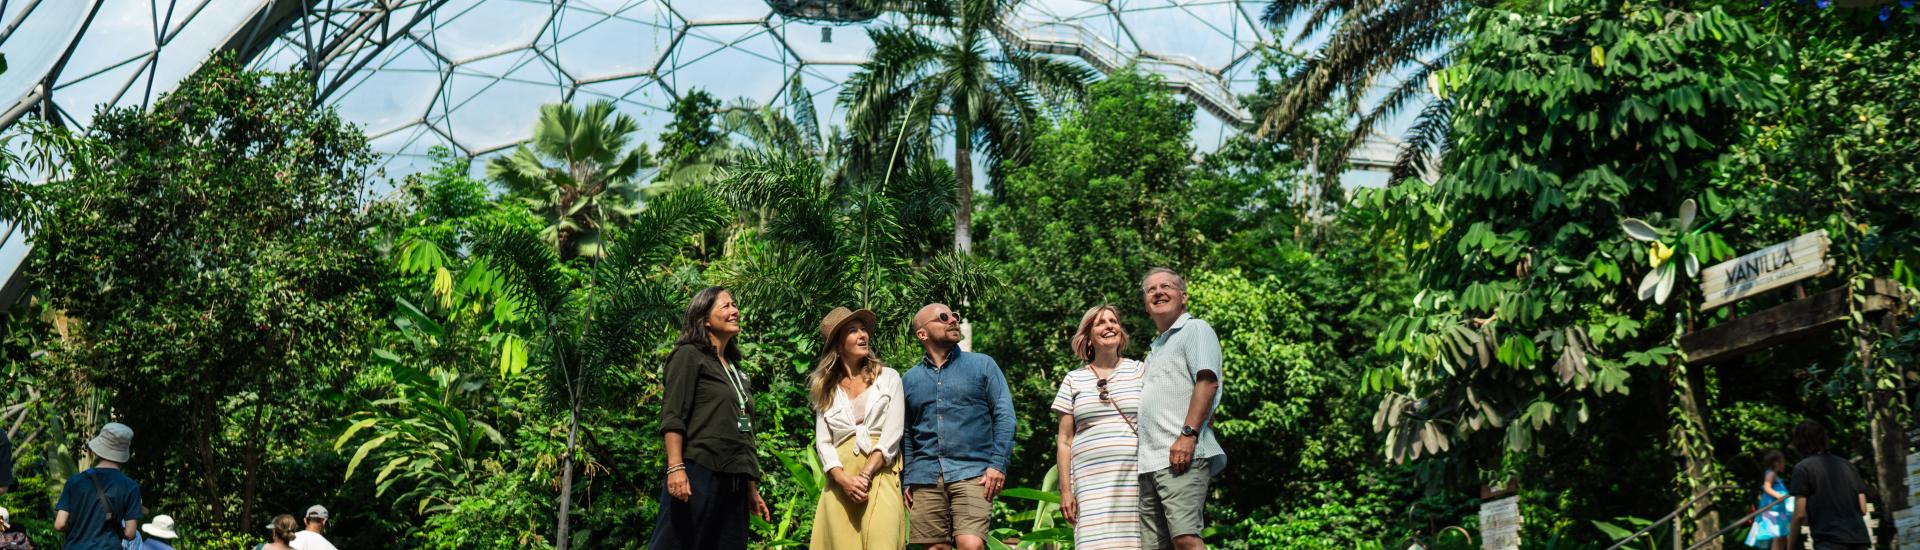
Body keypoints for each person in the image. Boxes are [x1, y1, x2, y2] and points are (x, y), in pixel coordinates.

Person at [650, 287, 772, 550]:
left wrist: (751, 488)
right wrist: (675, 467)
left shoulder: (734, 368)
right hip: (700, 470)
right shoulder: (688, 355)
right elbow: (673, 415)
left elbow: (744, 430)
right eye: (726, 306)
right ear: (704, 318)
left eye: (735, 305)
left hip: (735, 480)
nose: (735, 311)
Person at [902, 303, 1015, 550]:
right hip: (926, 475)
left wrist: (998, 464)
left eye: (955, 316)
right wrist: (908, 478)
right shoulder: (909, 379)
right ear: (922, 334)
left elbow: (1005, 416)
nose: (953, 320)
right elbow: (907, 433)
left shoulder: (983, 365)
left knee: (971, 545)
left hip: (973, 472)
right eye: (943, 317)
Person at [1136, 268, 1225, 550]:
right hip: (1151, 463)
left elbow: (1207, 382)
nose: (1158, 292)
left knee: (1185, 538)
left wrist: (1188, 435)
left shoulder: (1195, 329)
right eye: (1151, 289)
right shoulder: (1157, 348)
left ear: (1183, 296)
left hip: (1181, 456)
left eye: (1166, 286)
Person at [807, 306, 907, 549]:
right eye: (853, 330)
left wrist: (865, 475)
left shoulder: (889, 377)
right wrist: (844, 480)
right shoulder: (826, 388)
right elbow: (823, 442)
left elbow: (893, 433)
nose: (863, 335)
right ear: (839, 344)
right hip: (841, 480)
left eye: (864, 329)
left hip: (879, 472)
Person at [1052, 304, 1144, 549]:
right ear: (1088, 336)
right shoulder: (1073, 379)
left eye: (1113, 321)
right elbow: (1064, 440)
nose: (1109, 326)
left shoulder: (1140, 371)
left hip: (1133, 480)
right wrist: (1065, 491)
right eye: (1101, 323)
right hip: (1089, 484)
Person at [53, 423, 142, 550]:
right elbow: (130, 533)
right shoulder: (131, 487)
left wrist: (76, 530)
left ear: (99, 449)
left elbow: (60, 524)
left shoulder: (75, 481)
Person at [1785, 419, 1870, 550]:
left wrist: (1790, 546)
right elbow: (1863, 508)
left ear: (1799, 443)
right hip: (1859, 540)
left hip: (1829, 542)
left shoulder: (1802, 468)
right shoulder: (1847, 465)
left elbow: (1800, 514)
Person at [1744, 450, 1791, 549]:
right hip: (1774, 511)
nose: (1784, 464)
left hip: (1778, 510)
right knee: (1778, 535)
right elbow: (1767, 487)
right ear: (1776, 463)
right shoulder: (1771, 474)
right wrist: (1779, 496)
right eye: (1783, 461)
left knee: (1782, 535)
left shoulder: (1774, 475)